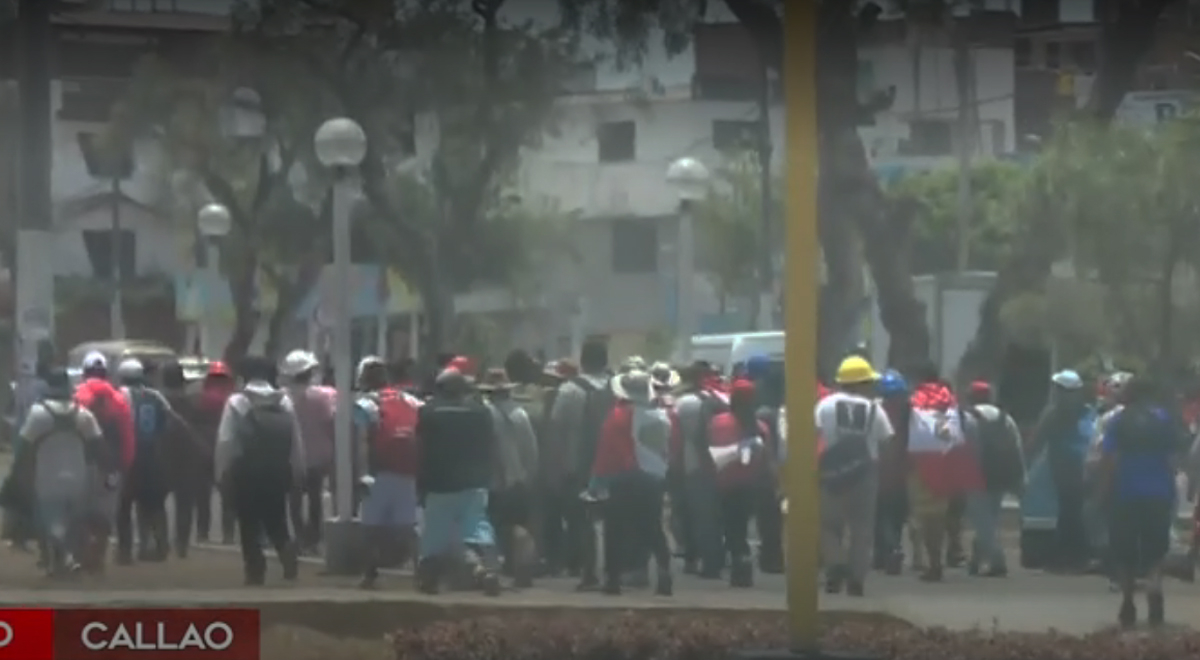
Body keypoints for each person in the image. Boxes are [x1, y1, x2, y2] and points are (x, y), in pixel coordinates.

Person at [1098, 376, 1184, 627]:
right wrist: (1173, 490)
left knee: (1125, 550)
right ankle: (1154, 585)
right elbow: (1173, 458)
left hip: (1126, 493)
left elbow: (1109, 459)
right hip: (1158, 494)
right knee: (1155, 549)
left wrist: (1102, 492)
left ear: (1129, 395)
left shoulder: (1118, 420)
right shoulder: (1164, 419)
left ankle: (1128, 600)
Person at [213, 355, 303, 585]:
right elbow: (295, 441)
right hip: (278, 470)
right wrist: (296, 470)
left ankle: (255, 570)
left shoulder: (237, 402)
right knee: (277, 517)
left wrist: (221, 472)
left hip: (247, 472)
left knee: (248, 522)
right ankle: (286, 551)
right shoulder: (284, 402)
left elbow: (226, 441)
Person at [415, 367, 500, 595]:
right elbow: (491, 447)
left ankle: (429, 578)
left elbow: (420, 449)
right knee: (474, 530)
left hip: (439, 484)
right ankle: (483, 570)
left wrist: (419, 483)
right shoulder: (481, 412)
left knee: (435, 534)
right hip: (474, 483)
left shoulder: (428, 412)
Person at [15, 368, 105, 576]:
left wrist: (20, 473)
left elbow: (24, 447)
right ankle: (66, 560)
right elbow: (99, 445)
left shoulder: (38, 414)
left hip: (47, 479)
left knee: (51, 523)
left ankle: (61, 560)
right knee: (72, 523)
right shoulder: (83, 414)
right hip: (78, 479)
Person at [815, 356, 893, 596]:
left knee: (828, 525)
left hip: (830, 473)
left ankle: (835, 564)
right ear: (859, 384)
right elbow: (887, 440)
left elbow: (814, 434)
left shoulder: (825, 405)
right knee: (862, 529)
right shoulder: (874, 409)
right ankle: (856, 578)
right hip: (864, 474)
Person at [591, 369, 673, 596]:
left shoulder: (618, 415)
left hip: (624, 478)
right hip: (654, 479)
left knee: (615, 529)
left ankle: (613, 579)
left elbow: (606, 451)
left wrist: (596, 481)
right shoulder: (662, 416)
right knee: (653, 528)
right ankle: (664, 572)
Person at [548, 339, 612, 589]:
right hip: (615, 464)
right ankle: (614, 571)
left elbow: (556, 430)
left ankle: (588, 572)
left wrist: (555, 467)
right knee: (612, 519)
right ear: (605, 361)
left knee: (582, 520)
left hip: (579, 465)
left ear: (583, 361)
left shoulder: (569, 390)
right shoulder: (618, 389)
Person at [354, 356, 421, 589]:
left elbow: (362, 440)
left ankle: (370, 573)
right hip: (408, 471)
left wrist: (362, 473)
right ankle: (419, 569)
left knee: (371, 528)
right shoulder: (410, 401)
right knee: (408, 526)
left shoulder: (365, 405)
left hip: (379, 472)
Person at [73, 351, 135, 573]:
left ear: (84, 373)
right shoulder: (118, 400)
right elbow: (128, 436)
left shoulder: (77, 396)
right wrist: (125, 464)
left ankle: (82, 557)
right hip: (112, 467)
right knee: (104, 515)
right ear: (106, 374)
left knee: (80, 513)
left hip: (81, 465)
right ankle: (98, 559)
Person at [1028, 369, 1095, 571]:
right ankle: (1076, 554)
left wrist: (1027, 461)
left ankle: (1067, 556)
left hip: (1064, 469)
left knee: (1068, 512)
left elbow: (1037, 440)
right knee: (1074, 511)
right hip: (1085, 467)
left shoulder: (1054, 412)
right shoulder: (1088, 411)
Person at [707, 378, 771, 587]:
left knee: (730, 527)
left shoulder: (718, 422)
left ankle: (738, 565)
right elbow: (766, 458)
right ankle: (743, 566)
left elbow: (709, 451)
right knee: (741, 527)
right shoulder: (761, 427)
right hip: (751, 485)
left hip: (725, 484)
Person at [480, 367, 539, 588]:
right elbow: (531, 450)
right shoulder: (520, 413)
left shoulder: (486, 414)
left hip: (495, 482)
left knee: (493, 528)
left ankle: (493, 570)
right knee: (519, 526)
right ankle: (523, 568)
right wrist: (528, 475)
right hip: (519, 480)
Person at [114, 358, 175, 564]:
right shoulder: (155, 396)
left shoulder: (119, 395)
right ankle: (161, 546)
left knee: (124, 504)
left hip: (128, 455)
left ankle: (125, 551)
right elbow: (169, 422)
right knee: (154, 503)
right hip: (153, 455)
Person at [961, 380, 1024, 577]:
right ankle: (976, 560)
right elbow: (1017, 446)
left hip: (976, 474)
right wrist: (1020, 475)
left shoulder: (967, 417)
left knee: (983, 521)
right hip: (1000, 474)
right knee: (990, 518)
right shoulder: (1005, 418)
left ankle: (998, 560)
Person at [672, 361, 727, 578]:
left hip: (691, 464)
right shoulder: (715, 399)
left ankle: (699, 561)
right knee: (710, 516)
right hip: (718, 462)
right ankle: (716, 558)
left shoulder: (683, 403)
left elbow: (676, 437)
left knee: (693, 515)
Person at [280, 350, 335, 553]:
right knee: (315, 500)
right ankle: (313, 539)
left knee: (294, 501)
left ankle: (301, 536)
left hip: (293, 456)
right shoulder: (322, 396)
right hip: (318, 457)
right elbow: (330, 424)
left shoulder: (283, 398)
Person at [874, 369, 911, 575]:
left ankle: (887, 551)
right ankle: (891, 548)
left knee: (880, 516)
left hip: (881, 471)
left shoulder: (876, 410)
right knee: (895, 517)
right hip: (901, 472)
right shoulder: (910, 412)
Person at [195, 361, 237, 544]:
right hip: (225, 450)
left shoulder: (200, 398)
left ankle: (202, 532)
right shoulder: (232, 400)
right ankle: (227, 534)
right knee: (227, 495)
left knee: (203, 496)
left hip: (203, 449)